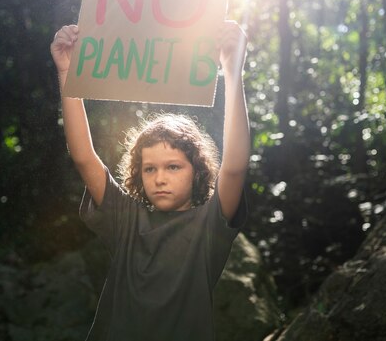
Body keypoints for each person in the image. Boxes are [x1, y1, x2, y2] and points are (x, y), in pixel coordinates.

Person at [50, 21, 250, 341]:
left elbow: (235, 167)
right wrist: (67, 73)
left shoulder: (210, 225)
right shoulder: (125, 218)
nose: (159, 179)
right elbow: (84, 157)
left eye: (173, 167)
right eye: (149, 169)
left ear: (196, 171)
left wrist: (232, 71)